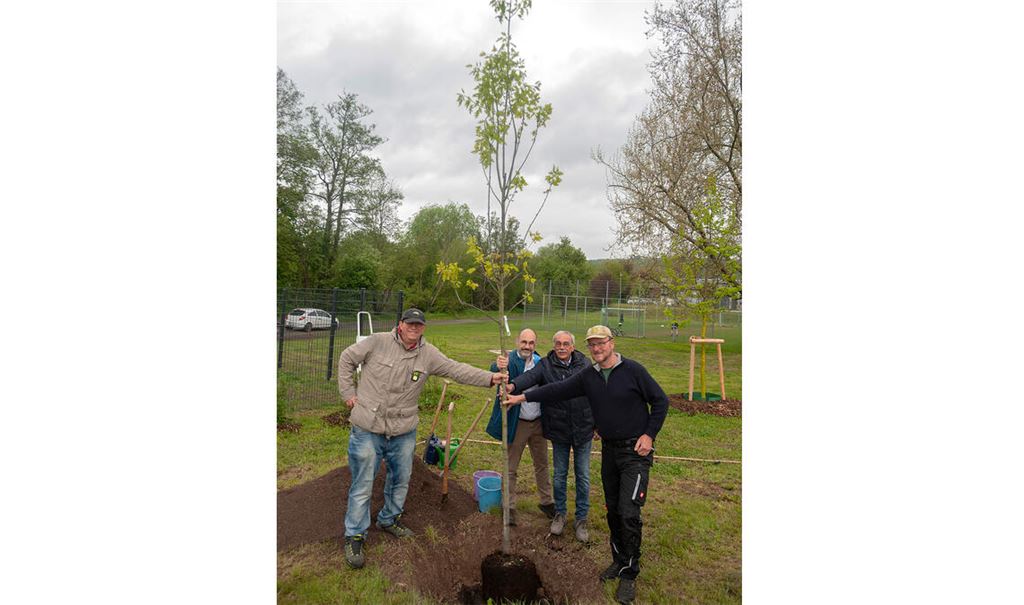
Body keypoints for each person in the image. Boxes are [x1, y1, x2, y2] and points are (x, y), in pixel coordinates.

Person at [505, 325, 668, 605]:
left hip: (635, 454)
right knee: (614, 510)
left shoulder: (633, 371)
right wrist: (521, 396)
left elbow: (661, 401)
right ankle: (619, 560)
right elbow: (557, 390)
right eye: (592, 345)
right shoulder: (589, 376)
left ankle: (630, 572)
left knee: (629, 512)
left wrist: (649, 434)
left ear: (611, 343)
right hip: (609, 451)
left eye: (601, 343)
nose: (596, 349)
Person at [336, 308, 506, 570]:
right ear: (400, 325)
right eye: (410, 323)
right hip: (368, 426)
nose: (414, 328)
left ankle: (389, 519)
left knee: (401, 478)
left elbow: (455, 368)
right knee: (363, 483)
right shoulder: (377, 342)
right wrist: (348, 392)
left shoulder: (428, 354)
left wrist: (490, 378)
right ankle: (355, 535)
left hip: (403, 429)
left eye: (419, 324)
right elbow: (347, 358)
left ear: (423, 328)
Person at [511, 330, 593, 541]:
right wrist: (513, 385)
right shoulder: (545, 365)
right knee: (559, 475)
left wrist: (597, 424)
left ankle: (581, 518)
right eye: (558, 343)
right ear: (554, 345)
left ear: (573, 347)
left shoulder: (585, 365)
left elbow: (596, 394)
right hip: (559, 430)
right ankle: (560, 514)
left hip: (583, 429)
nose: (562, 347)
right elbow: (530, 377)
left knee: (582, 476)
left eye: (566, 344)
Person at [485, 328, 555, 526]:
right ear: (517, 341)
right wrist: (498, 365)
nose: (527, 346)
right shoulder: (510, 360)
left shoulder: (541, 362)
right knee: (511, 467)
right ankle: (509, 507)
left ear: (536, 344)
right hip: (519, 423)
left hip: (539, 423)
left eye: (531, 343)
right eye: (524, 342)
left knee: (542, 464)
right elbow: (494, 371)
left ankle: (547, 501)